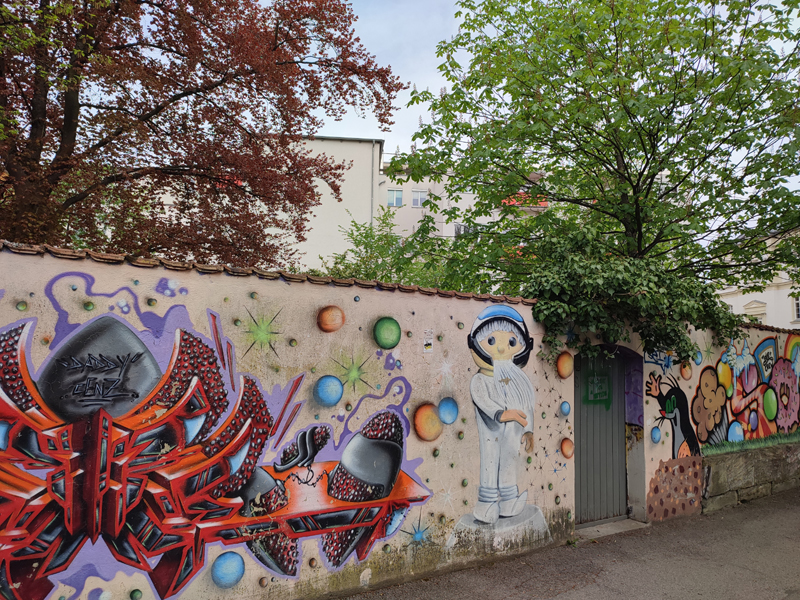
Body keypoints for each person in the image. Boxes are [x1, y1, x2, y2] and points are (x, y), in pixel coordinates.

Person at [467, 305, 535, 524]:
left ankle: (508, 500)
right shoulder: (480, 380)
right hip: (491, 432)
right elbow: (483, 401)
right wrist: (502, 414)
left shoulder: (513, 380)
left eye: (512, 342)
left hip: (513, 435)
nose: (501, 348)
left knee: (508, 462)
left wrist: (529, 430)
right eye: (491, 341)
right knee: (491, 462)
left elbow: (525, 404)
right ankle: (486, 504)